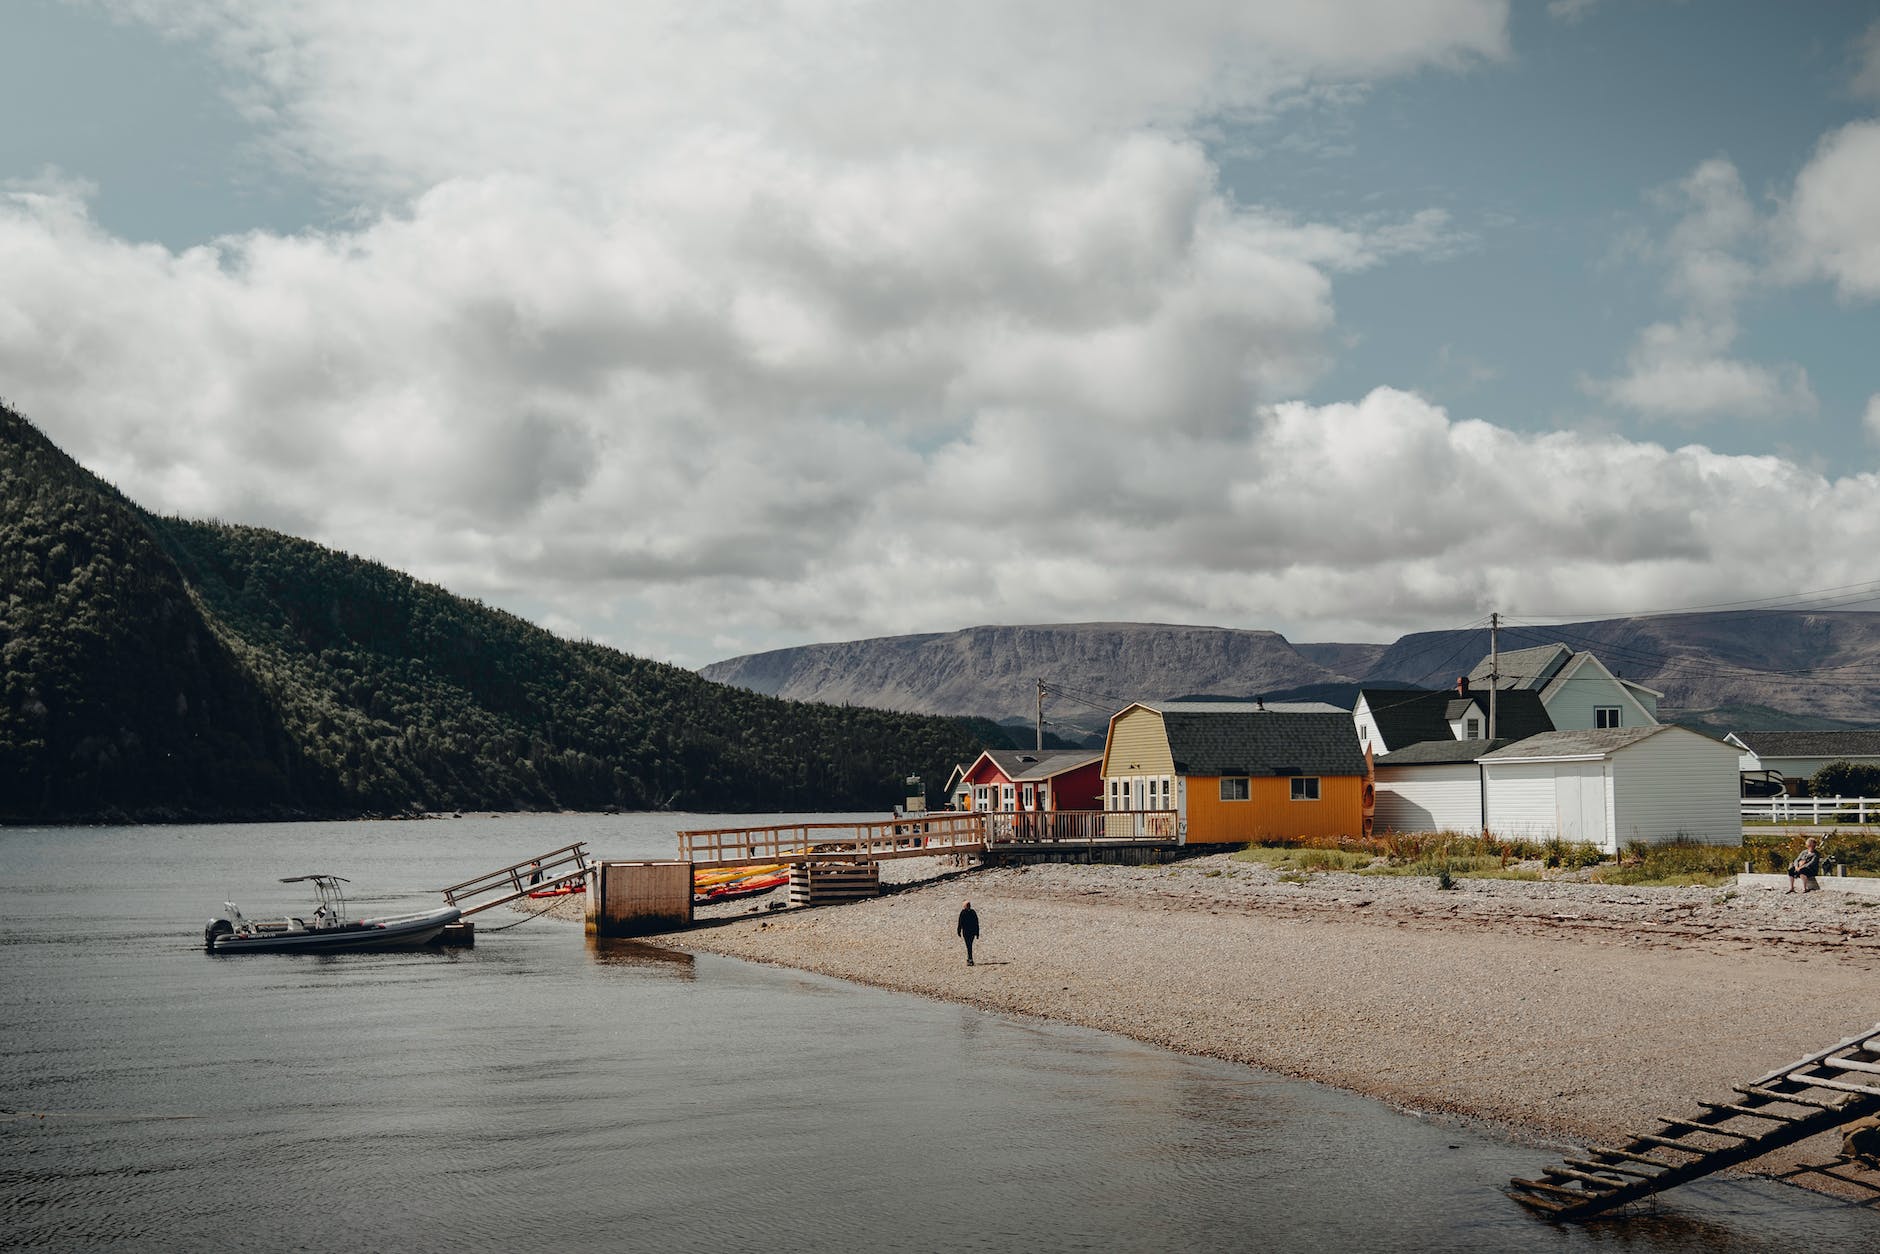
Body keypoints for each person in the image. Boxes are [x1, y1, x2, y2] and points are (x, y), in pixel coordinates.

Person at [957, 900, 980, 965]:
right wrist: (977, 933)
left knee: (968, 945)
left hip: (967, 932)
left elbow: (960, 923)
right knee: (969, 945)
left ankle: (970, 959)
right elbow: (976, 923)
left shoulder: (963, 912)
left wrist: (959, 931)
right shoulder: (973, 912)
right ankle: (970, 958)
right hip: (972, 932)